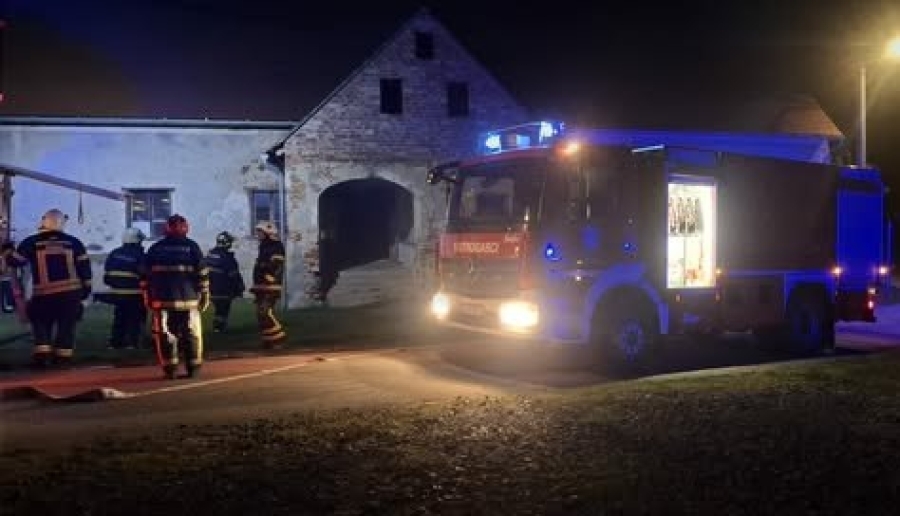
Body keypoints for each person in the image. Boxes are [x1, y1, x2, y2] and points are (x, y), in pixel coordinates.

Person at [5, 209, 92, 368]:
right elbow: (84, 268)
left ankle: (42, 357)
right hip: (70, 295)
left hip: (44, 294)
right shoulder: (74, 243)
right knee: (66, 326)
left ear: (44, 222)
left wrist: (7, 250)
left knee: (40, 322)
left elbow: (15, 262)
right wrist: (86, 288)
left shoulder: (31, 242)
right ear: (62, 223)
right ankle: (63, 359)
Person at [142, 214, 209, 379]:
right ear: (186, 228)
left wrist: (147, 296)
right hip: (188, 300)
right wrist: (205, 294)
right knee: (191, 333)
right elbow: (202, 272)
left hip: (162, 300)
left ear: (166, 229)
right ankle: (193, 367)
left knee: (164, 334)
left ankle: (170, 369)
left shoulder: (156, 248)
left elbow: (144, 275)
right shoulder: (192, 247)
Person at [102, 227, 148, 349]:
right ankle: (132, 343)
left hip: (117, 293)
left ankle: (115, 343)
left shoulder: (114, 253)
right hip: (135, 293)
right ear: (137, 241)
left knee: (119, 318)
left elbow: (107, 275)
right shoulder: (140, 255)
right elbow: (144, 273)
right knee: (135, 319)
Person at [250, 221, 286, 348]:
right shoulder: (263, 246)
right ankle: (268, 340)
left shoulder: (276, 246)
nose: (258, 234)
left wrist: (268, 276)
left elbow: (276, 264)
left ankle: (279, 339)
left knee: (265, 312)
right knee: (260, 314)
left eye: (260, 232)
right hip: (261, 285)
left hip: (271, 286)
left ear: (267, 233)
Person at [204, 231, 245, 332]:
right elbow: (234, 274)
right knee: (222, 310)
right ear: (227, 243)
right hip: (223, 289)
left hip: (211, 288)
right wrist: (240, 287)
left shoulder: (210, 254)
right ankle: (219, 328)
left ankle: (217, 328)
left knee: (219, 309)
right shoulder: (227, 257)